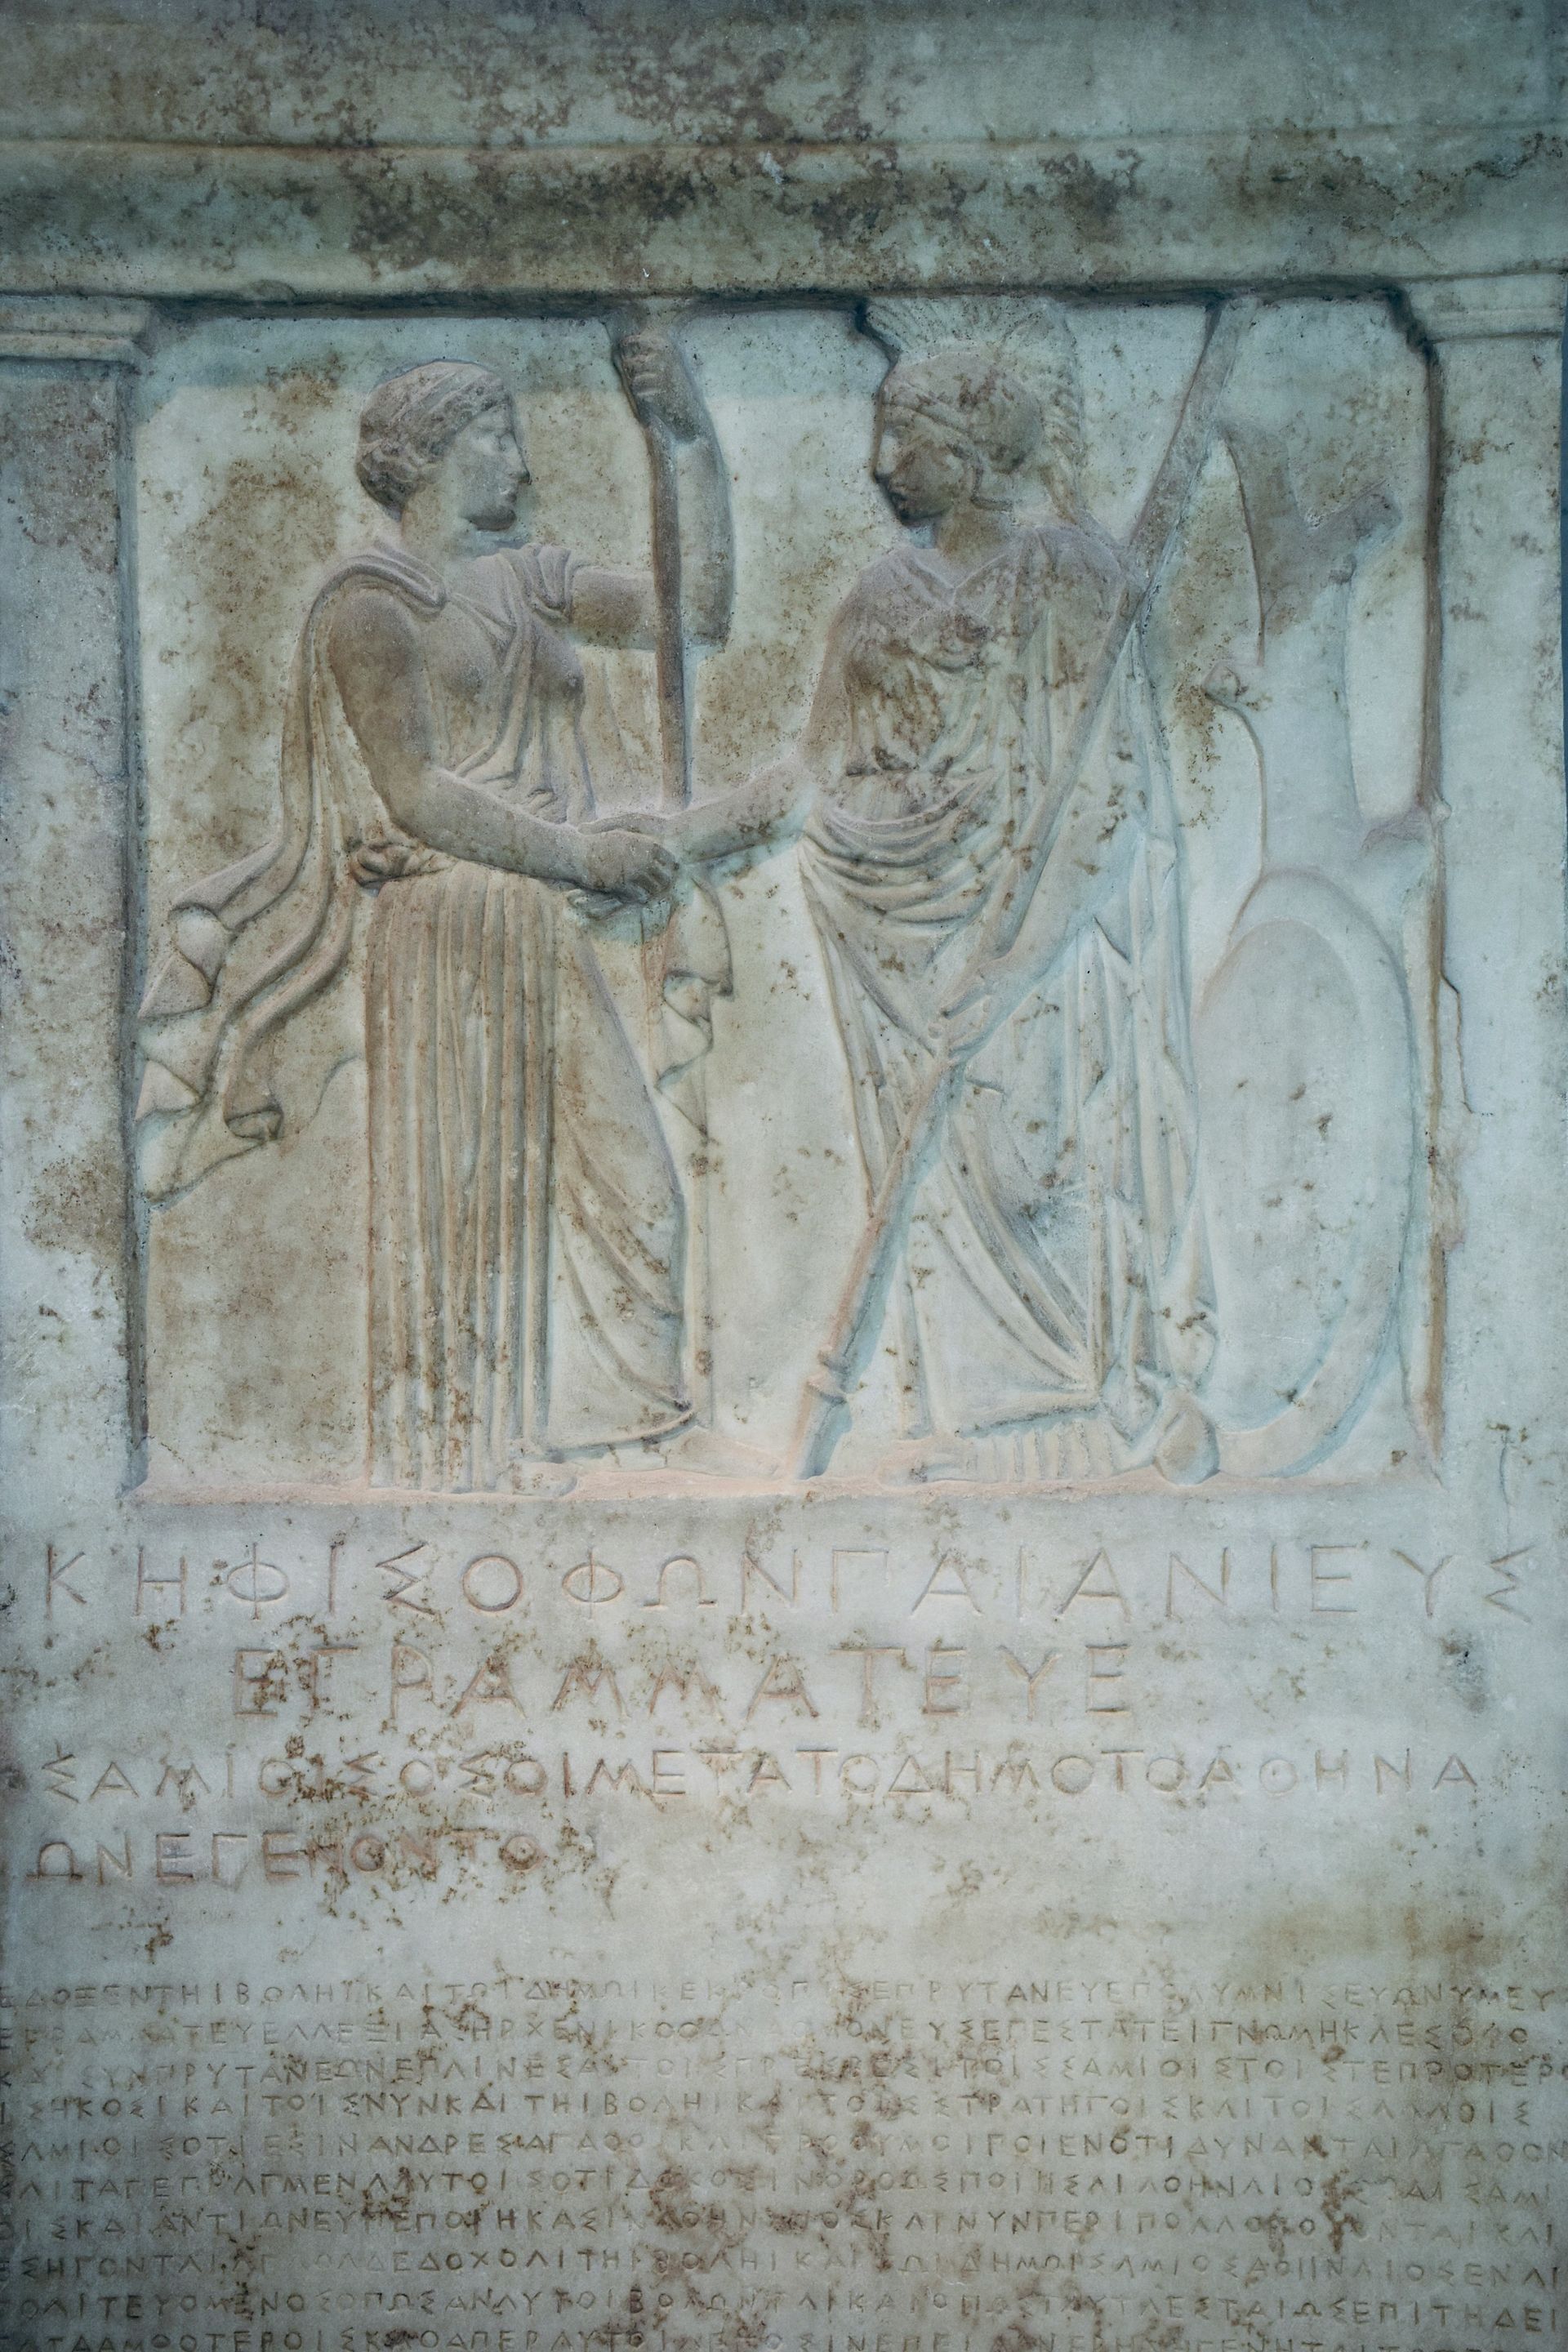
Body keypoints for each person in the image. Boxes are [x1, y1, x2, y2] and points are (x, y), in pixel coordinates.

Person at [137, 335, 733, 1490]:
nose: (521, 459)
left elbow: (692, 616)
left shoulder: (531, 577)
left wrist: (693, 445)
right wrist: (581, 852)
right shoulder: (368, 605)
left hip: (546, 923)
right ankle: (471, 1464)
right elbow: (413, 790)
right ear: (423, 460)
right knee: (470, 1206)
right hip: (452, 924)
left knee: (639, 1199)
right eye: (494, 437)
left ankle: (609, 1444)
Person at [650, 304, 1215, 1482]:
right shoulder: (872, 600)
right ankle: (965, 1422)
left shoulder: (1073, 580)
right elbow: (811, 777)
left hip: (1037, 943)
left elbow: (1107, 799)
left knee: (1037, 1164)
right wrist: (671, 840)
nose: (879, 463)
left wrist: (1017, 960)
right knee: (932, 1186)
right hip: (892, 945)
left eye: (903, 436)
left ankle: (1063, 1429)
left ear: (969, 453)